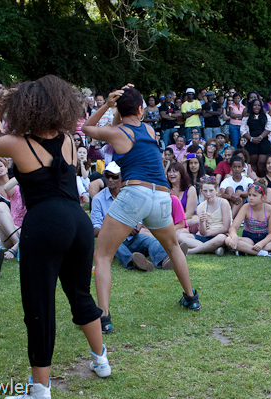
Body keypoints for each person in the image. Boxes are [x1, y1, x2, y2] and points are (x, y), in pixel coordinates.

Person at [0, 75, 111, 398]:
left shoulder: (15, 143)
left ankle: (39, 390)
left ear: (24, 110)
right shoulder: (67, 137)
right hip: (78, 223)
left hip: (45, 224)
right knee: (80, 294)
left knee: (40, 305)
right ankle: (101, 360)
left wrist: (0, 107)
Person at [83, 84, 200, 337]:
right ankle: (191, 298)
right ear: (140, 109)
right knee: (172, 247)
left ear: (119, 109)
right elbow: (122, 125)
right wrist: (124, 101)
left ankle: (104, 318)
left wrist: (106, 104)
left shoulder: (118, 132)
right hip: (161, 195)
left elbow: (87, 128)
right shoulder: (148, 128)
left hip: (134, 193)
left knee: (102, 255)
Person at [91, 162, 184, 270]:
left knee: (150, 241)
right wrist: (122, 229)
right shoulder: (98, 199)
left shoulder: (131, 194)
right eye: (107, 176)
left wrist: (138, 226)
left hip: (132, 238)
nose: (110, 179)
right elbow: (95, 229)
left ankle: (164, 259)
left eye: (114, 176)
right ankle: (133, 262)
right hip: (113, 238)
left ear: (122, 177)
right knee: (114, 243)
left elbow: (140, 218)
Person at [178, 177, 231, 255]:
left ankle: (191, 251)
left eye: (211, 191)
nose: (208, 194)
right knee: (181, 236)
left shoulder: (223, 203)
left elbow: (226, 228)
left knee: (221, 238)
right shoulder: (201, 207)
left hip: (219, 236)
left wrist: (208, 234)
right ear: (201, 192)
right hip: (205, 237)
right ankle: (213, 249)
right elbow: (203, 233)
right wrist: (201, 222)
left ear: (216, 190)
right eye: (205, 191)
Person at [225, 183, 271, 256]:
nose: (251, 198)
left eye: (254, 195)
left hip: (265, 240)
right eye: (249, 195)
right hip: (249, 239)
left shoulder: (270, 209)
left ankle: (246, 250)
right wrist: (234, 236)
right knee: (228, 240)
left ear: (263, 197)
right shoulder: (245, 207)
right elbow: (233, 227)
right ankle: (264, 253)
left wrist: (262, 243)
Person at [0, 158, 25, 260]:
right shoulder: (12, 188)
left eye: (0, 166)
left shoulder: (32, 189)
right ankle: (18, 245)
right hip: (8, 230)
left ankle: (16, 248)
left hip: (25, 231)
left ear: (6, 168)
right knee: (1, 206)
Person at [241, 99, 271, 176]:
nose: (257, 107)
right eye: (255, 105)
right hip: (251, 142)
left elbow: (269, 128)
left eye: (259, 105)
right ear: (251, 106)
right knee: (252, 163)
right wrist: (251, 139)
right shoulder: (246, 118)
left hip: (263, 142)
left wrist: (260, 138)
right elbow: (243, 131)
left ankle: (263, 179)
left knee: (262, 163)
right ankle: (255, 181)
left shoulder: (266, 116)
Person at [168, 162, 199, 232]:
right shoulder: (166, 189)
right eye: (169, 171)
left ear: (181, 173)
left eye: (174, 171)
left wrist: (178, 222)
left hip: (185, 219)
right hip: (169, 220)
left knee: (195, 220)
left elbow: (189, 212)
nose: (171, 174)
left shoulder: (190, 189)